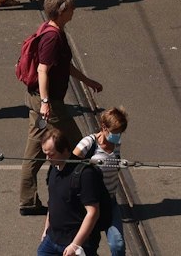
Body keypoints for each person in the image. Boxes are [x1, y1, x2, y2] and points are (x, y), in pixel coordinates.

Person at [19, 0, 104, 214]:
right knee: (79, 147)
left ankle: (28, 201)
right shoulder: (52, 38)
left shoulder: (53, 30)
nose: (74, 11)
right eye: (71, 9)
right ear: (61, 11)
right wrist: (46, 103)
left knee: (35, 151)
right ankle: (83, 196)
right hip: (48, 104)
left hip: (42, 103)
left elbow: (64, 65)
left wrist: (87, 80)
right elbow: (42, 70)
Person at [38, 123, 112, 256]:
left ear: (65, 150)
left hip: (76, 243)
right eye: (45, 154)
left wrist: (75, 245)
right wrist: (46, 230)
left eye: (51, 155)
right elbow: (53, 202)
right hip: (52, 238)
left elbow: (93, 212)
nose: (47, 159)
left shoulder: (85, 174)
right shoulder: (54, 168)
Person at [71, 109, 128, 256]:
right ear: (103, 127)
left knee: (118, 244)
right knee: (86, 247)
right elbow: (71, 167)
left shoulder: (117, 144)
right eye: (115, 131)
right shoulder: (88, 144)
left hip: (110, 201)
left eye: (120, 132)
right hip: (90, 204)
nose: (118, 135)